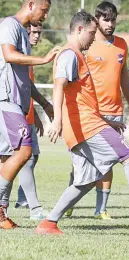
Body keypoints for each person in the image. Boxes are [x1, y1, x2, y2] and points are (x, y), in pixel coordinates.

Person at [35, 11, 129, 235]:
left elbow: (79, 98)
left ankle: (48, 223)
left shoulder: (76, 54)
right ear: (79, 30)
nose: (93, 38)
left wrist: (106, 120)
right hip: (87, 127)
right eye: (91, 33)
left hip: (88, 124)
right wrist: (57, 120)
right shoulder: (70, 54)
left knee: (86, 181)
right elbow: (59, 86)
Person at [64, 1, 129, 220]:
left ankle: (101, 208)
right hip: (89, 113)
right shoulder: (86, 45)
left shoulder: (122, 45)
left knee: (109, 161)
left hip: (114, 112)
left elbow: (124, 78)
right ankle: (71, 201)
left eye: (113, 19)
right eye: (105, 19)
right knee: (81, 162)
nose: (110, 24)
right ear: (96, 21)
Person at [0, 0, 58, 229]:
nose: (44, 16)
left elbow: (25, 80)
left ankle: (1, 215)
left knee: (6, 159)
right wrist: (43, 60)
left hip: (17, 103)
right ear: (32, 4)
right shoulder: (9, 25)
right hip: (6, 101)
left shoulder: (22, 33)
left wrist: (44, 103)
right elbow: (9, 55)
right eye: (44, 11)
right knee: (25, 151)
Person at [0, 24, 47, 220]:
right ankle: (34, 208)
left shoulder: (25, 57)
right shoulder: (12, 53)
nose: (37, 36)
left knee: (18, 158)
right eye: (33, 32)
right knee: (22, 157)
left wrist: (39, 109)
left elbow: (27, 86)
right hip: (10, 112)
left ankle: (3, 212)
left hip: (24, 114)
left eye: (39, 32)